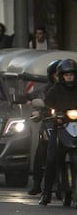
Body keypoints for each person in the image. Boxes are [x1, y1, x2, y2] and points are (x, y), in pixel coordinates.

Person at [39, 59, 77, 205]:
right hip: (60, 127)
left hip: (75, 128)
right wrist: (49, 112)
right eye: (66, 75)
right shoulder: (54, 90)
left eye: (71, 75)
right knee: (52, 158)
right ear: (61, 76)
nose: (69, 77)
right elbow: (47, 105)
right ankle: (46, 193)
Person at [26, 59, 61, 196]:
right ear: (52, 76)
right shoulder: (46, 90)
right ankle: (37, 183)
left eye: (64, 74)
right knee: (41, 150)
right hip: (50, 124)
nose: (61, 78)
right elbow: (36, 98)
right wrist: (38, 111)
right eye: (58, 75)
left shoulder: (73, 89)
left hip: (69, 126)